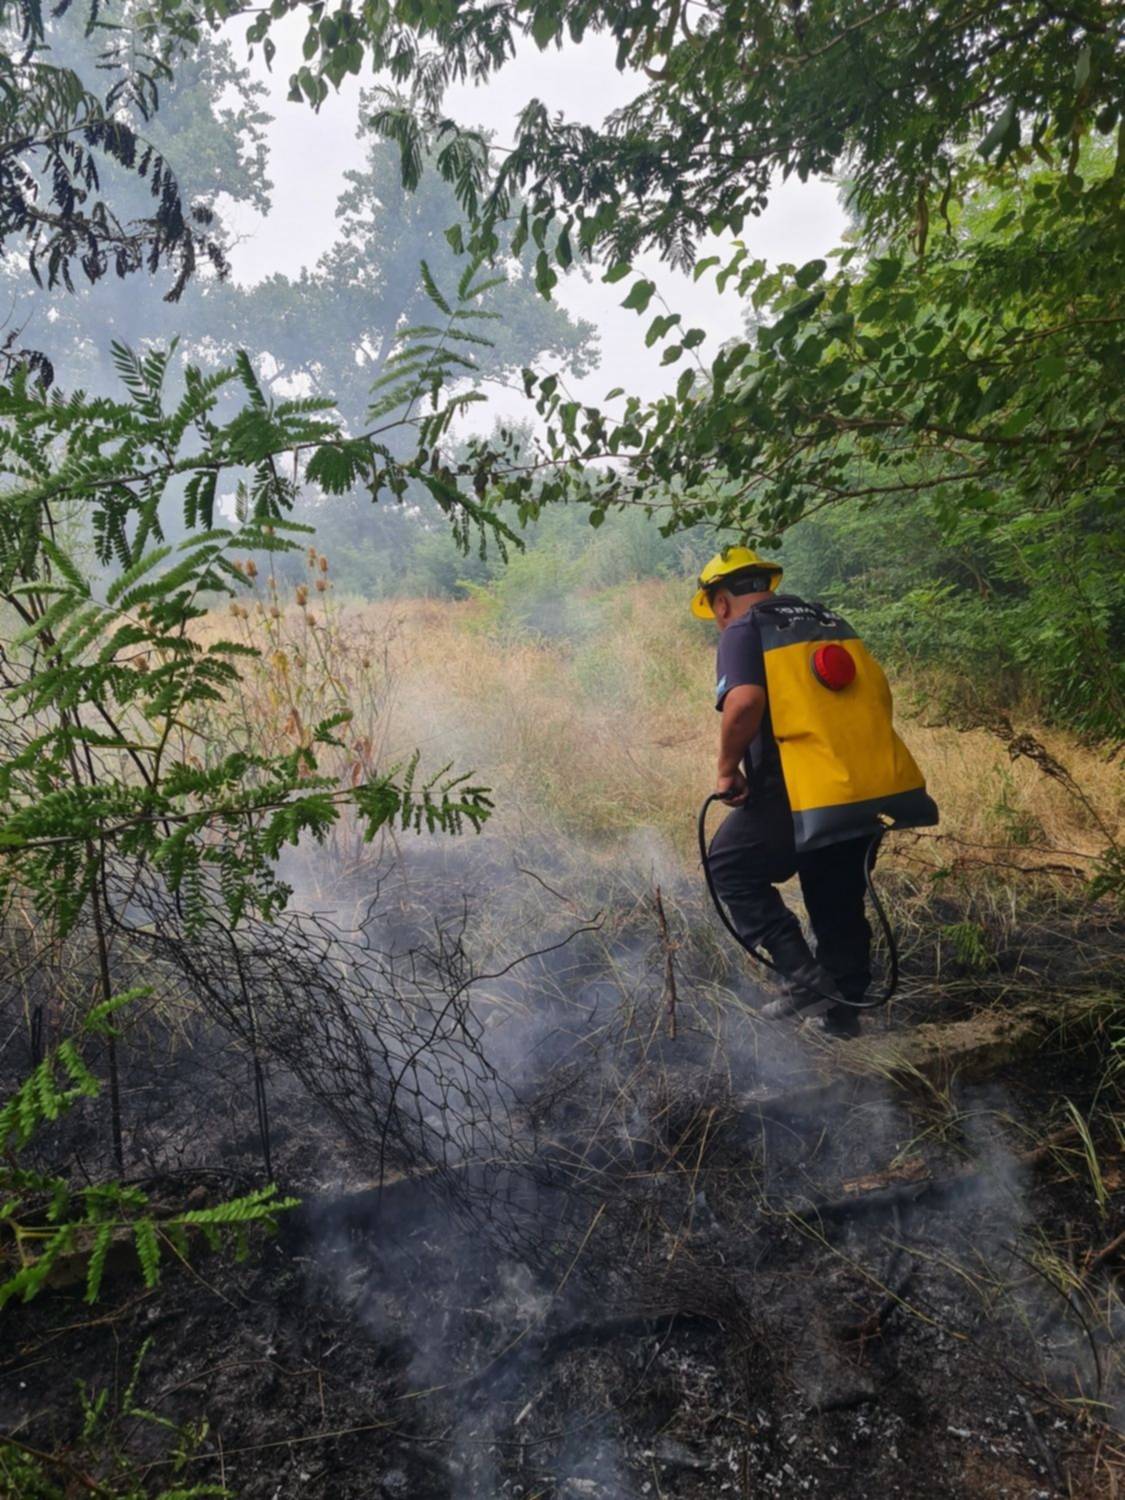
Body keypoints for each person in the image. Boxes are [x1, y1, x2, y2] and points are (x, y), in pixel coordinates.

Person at [694, 547, 937, 1039]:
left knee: (729, 865)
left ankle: (802, 978)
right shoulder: (829, 622)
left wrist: (726, 770)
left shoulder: (744, 629)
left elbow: (744, 702)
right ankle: (843, 1019)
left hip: (805, 790)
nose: (719, 622)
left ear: (720, 602)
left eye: (715, 613)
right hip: (866, 790)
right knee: (837, 898)